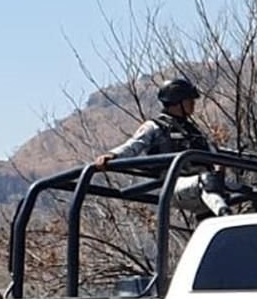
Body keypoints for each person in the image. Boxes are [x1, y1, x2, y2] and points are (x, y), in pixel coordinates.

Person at [94, 77, 232, 218]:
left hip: (202, 187)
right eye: (189, 99)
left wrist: (220, 167)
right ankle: (225, 216)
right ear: (177, 102)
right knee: (207, 181)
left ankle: (216, 223)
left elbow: (214, 154)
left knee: (230, 188)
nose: (193, 103)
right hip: (174, 184)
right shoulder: (155, 126)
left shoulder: (194, 131)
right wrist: (113, 155)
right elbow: (133, 145)